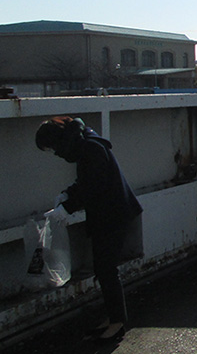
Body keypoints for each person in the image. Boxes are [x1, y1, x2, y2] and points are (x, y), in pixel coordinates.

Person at [36, 116, 142, 344]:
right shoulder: (86, 142)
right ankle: (114, 318)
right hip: (113, 213)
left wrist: (67, 207)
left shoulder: (88, 148)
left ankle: (117, 323)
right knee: (104, 268)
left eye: (51, 148)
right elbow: (88, 182)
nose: (54, 153)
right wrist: (67, 196)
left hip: (112, 215)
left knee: (106, 269)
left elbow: (92, 185)